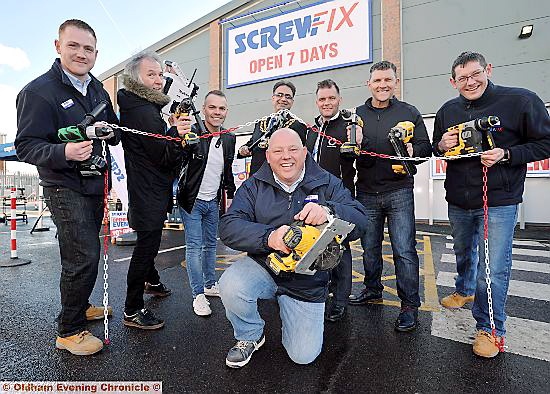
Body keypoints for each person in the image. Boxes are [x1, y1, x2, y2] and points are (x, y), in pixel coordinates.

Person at [432, 51, 550, 357]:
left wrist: (506, 155)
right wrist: (441, 146)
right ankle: (464, 290)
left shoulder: (521, 101)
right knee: (462, 250)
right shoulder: (447, 110)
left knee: (493, 267)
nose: (470, 82)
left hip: (498, 200)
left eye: (475, 74)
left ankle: (490, 329)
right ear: (452, 81)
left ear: (489, 70)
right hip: (458, 198)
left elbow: (545, 143)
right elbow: (439, 150)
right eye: (462, 78)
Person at [218, 128, 367, 368]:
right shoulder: (253, 185)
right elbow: (228, 226)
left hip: (308, 282)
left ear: (305, 152)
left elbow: (362, 220)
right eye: (277, 151)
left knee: (303, 356)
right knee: (231, 285)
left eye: (293, 149)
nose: (286, 156)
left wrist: (329, 212)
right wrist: (269, 238)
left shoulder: (327, 183)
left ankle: (289, 307)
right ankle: (250, 334)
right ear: (268, 156)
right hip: (265, 266)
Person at [15, 19, 120, 355]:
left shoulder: (98, 89)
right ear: (58, 46)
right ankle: (69, 330)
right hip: (63, 185)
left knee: (81, 253)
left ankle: (81, 305)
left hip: (94, 183)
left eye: (88, 48)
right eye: (73, 46)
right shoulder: (38, 91)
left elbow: (116, 129)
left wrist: (109, 132)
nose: (81, 53)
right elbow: (27, 145)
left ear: (96, 53)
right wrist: (64, 151)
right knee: (83, 255)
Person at [349, 60, 432, 332]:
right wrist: (355, 142)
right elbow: (347, 150)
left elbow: (425, 148)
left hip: (399, 190)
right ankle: (372, 289)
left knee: (404, 251)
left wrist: (411, 149)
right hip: (366, 192)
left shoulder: (410, 111)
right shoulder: (357, 115)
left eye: (388, 80)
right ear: (369, 84)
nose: (383, 85)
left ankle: (409, 305)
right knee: (369, 248)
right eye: (377, 81)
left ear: (395, 82)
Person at [117, 52, 191, 329]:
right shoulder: (143, 111)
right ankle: (132, 309)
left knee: (147, 243)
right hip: (148, 191)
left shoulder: (139, 106)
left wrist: (171, 132)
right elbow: (164, 156)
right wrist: (176, 133)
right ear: (136, 78)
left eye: (160, 74)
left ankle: (152, 281)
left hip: (146, 189)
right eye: (152, 75)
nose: (159, 80)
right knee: (146, 247)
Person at [177, 90, 236, 317]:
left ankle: (210, 284)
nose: (217, 112)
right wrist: (183, 145)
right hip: (191, 200)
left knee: (211, 245)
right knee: (194, 246)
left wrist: (230, 194)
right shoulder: (192, 134)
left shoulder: (228, 138)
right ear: (204, 109)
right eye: (213, 107)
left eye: (221, 108)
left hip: (213, 201)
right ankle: (197, 294)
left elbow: (227, 169)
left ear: (226, 111)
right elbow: (177, 161)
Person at [305, 79, 359, 322]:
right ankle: (324, 291)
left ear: (339, 99)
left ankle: (340, 300)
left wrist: (359, 141)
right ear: (317, 102)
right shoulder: (311, 130)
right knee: (315, 248)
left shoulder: (349, 128)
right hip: (313, 199)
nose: (327, 103)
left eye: (331, 98)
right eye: (322, 99)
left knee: (340, 250)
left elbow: (361, 158)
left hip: (339, 198)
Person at [237, 80, 308, 175]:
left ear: (292, 101)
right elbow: (251, 144)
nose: (283, 99)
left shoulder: (298, 126)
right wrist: (243, 149)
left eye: (288, 97)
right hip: (257, 179)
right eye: (279, 95)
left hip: (282, 180)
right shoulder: (260, 123)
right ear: (273, 98)